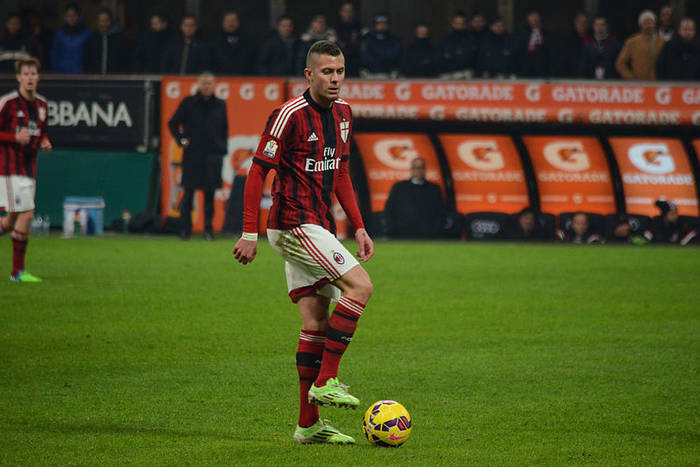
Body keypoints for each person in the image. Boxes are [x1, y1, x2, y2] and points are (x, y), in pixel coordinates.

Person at [233, 40, 374, 445]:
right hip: (294, 224)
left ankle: (308, 425)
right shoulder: (288, 115)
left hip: (319, 225)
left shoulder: (344, 114)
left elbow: (341, 173)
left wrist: (359, 227)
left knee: (316, 322)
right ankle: (327, 380)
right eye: (327, 72)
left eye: (340, 71)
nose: (335, 79)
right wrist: (249, 233)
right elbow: (257, 172)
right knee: (361, 287)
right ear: (309, 75)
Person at [0, 57, 52, 282]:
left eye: (33, 74)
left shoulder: (42, 105)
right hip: (11, 168)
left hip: (30, 169)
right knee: (27, 214)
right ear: (18, 77)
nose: (30, 78)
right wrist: (14, 137)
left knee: (9, 222)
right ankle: (17, 272)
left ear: (38, 77)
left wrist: (45, 142)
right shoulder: (8, 102)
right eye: (26, 74)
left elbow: (42, 132)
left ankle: (18, 272)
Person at [168, 72, 228, 240]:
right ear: (198, 84)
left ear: (214, 85)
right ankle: (185, 230)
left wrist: (222, 150)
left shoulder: (220, 105)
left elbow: (224, 129)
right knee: (188, 194)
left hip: (212, 156)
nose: (206, 86)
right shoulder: (188, 103)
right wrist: (181, 140)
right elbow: (172, 123)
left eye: (209, 83)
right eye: (204, 83)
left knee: (210, 196)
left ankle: (208, 230)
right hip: (192, 156)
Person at [384, 157, 445, 239]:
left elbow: (440, 211)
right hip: (402, 233)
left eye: (421, 168)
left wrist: (435, 230)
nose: (418, 171)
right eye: (415, 168)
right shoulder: (399, 187)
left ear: (425, 170)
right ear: (411, 169)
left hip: (428, 234)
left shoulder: (434, 189)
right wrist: (393, 228)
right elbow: (389, 208)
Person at [615, 10, 664, 81]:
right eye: (645, 23)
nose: (649, 26)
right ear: (641, 25)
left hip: (658, 83)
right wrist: (631, 78)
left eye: (651, 22)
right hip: (639, 83)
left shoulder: (662, 42)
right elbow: (620, 63)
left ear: (655, 24)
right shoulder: (632, 42)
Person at [83, 8, 129, 74]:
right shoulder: (92, 39)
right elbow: (87, 60)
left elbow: (124, 60)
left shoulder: (120, 39)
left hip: (115, 77)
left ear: (111, 21)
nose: (103, 24)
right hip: (95, 77)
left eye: (106, 21)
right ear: (98, 22)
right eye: (101, 21)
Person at [513, 10, 556, 78]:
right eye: (532, 16)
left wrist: (551, 71)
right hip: (524, 70)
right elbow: (517, 52)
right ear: (527, 18)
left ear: (540, 18)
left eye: (536, 16)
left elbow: (551, 53)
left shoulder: (547, 34)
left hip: (542, 70)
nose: (534, 19)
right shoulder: (521, 33)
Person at [50, 3, 91, 73]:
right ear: (65, 17)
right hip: (61, 72)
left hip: (80, 72)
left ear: (78, 16)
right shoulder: (59, 34)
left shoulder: (86, 34)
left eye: (74, 15)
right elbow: (54, 54)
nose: (71, 18)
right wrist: (55, 70)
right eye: (68, 16)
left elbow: (90, 56)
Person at [212, 11, 253, 75]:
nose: (231, 23)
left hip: (243, 78)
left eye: (233, 21)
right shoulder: (214, 43)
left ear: (238, 22)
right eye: (228, 21)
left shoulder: (248, 42)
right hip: (220, 78)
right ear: (223, 23)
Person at [435, 11, 474, 78]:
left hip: (464, 74)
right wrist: (456, 55)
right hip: (447, 74)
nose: (459, 26)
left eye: (462, 24)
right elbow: (438, 57)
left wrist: (450, 56)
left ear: (465, 25)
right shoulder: (445, 40)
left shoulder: (470, 40)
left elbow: (468, 58)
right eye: (457, 23)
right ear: (452, 24)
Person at [335, 1, 364, 77]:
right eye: (345, 11)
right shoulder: (334, 28)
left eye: (350, 11)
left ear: (354, 13)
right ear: (340, 12)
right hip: (337, 64)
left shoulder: (359, 28)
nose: (348, 14)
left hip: (355, 64)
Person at [561, 13, 590, 77]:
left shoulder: (592, 40)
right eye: (579, 22)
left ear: (588, 24)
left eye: (584, 22)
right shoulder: (568, 42)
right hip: (572, 77)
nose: (582, 24)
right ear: (575, 24)